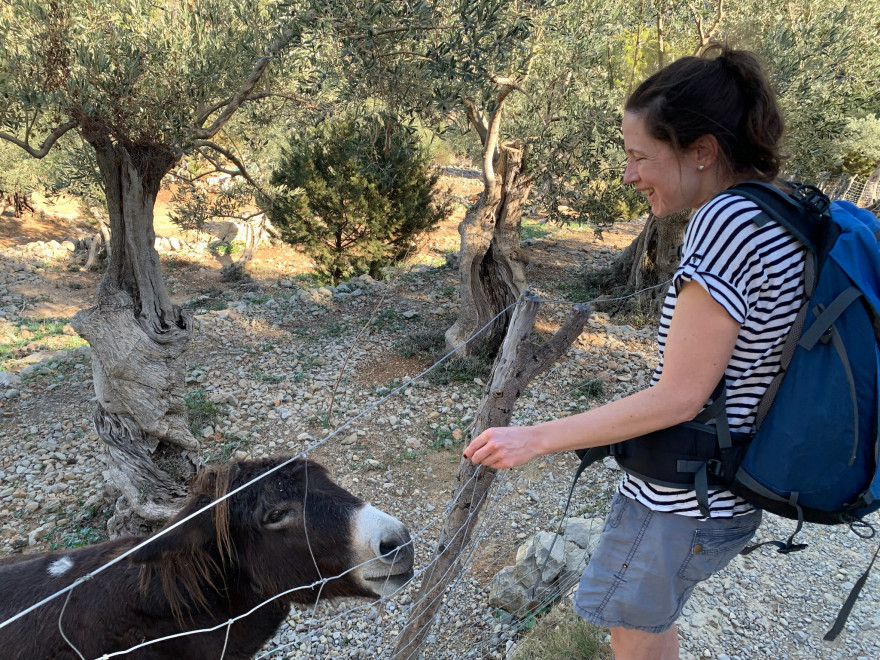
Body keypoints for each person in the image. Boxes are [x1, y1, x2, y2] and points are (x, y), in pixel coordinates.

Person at [464, 45, 806, 660]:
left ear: (701, 151)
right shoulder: (779, 210)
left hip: (682, 498)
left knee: (633, 626)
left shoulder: (724, 222)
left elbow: (679, 395)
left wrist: (534, 437)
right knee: (646, 617)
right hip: (729, 485)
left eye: (640, 155)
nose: (629, 175)